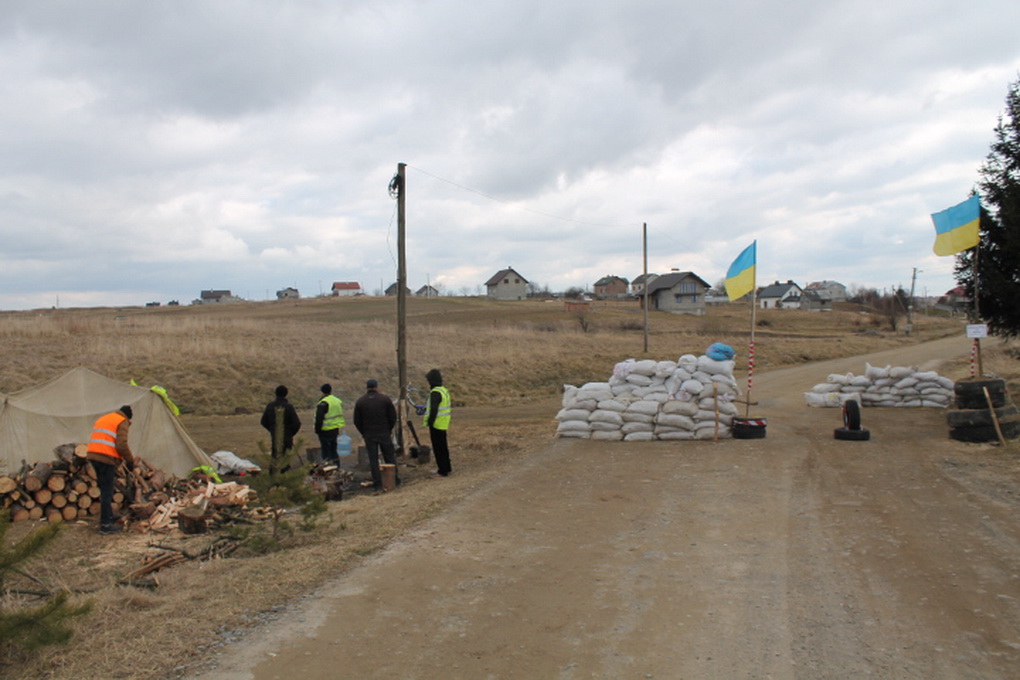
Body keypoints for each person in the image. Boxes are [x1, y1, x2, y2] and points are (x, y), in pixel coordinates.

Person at [86, 405, 137, 535]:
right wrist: (130, 460)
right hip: (105, 457)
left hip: (93, 455)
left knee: (104, 487)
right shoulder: (122, 421)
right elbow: (121, 444)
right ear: (128, 416)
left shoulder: (106, 418)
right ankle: (105, 525)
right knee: (107, 491)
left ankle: (108, 516)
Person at [353, 379, 400, 490]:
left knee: (373, 459)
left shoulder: (360, 402)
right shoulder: (385, 399)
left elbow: (356, 421)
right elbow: (393, 417)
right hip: (384, 432)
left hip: (369, 434)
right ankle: (394, 479)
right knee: (389, 456)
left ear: (367, 388)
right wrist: (388, 429)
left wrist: (364, 432)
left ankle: (377, 483)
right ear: (376, 387)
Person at [260, 385, 301, 472]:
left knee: (275, 456)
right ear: (286, 394)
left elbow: (263, 421)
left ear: (276, 393)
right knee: (286, 458)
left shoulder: (270, 406)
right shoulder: (288, 407)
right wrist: (290, 433)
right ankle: (284, 474)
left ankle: (274, 474)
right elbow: (296, 423)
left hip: (275, 436)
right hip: (287, 436)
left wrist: (273, 430)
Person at [423, 369, 452, 477]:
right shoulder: (443, 390)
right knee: (443, 447)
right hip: (443, 423)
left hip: (436, 424)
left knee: (438, 448)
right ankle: (447, 467)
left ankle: (442, 471)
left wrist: (430, 422)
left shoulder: (435, 392)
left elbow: (434, 410)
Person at [314, 383, 345, 464]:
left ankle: (328, 467)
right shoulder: (336, 400)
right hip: (335, 428)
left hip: (325, 430)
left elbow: (319, 418)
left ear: (322, 391)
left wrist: (317, 429)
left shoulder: (323, 402)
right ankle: (337, 465)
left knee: (326, 451)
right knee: (333, 450)